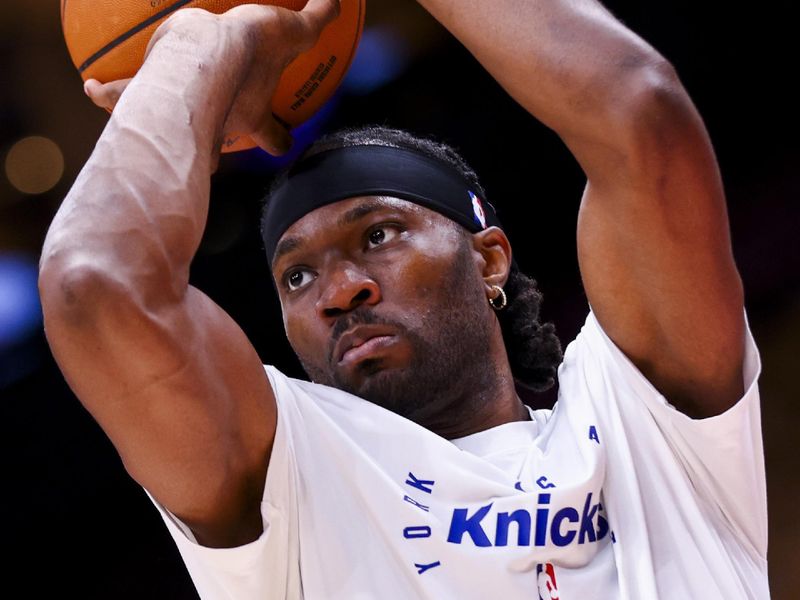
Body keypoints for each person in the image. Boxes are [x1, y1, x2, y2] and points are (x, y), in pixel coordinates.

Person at [38, 0, 769, 598]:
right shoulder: (291, 485)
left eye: (380, 234)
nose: (338, 290)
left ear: (489, 259)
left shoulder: (643, 425)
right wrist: (196, 42)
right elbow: (93, 287)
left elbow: (639, 113)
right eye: (295, 277)